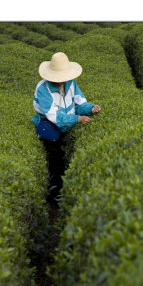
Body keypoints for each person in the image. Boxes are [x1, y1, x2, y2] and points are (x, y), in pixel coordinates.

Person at [31, 52, 101, 206]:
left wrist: (91, 108)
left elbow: (80, 103)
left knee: (65, 161)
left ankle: (64, 194)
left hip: (67, 125)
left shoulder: (71, 83)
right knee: (55, 164)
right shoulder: (43, 89)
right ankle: (54, 199)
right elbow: (54, 116)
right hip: (50, 127)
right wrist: (77, 118)